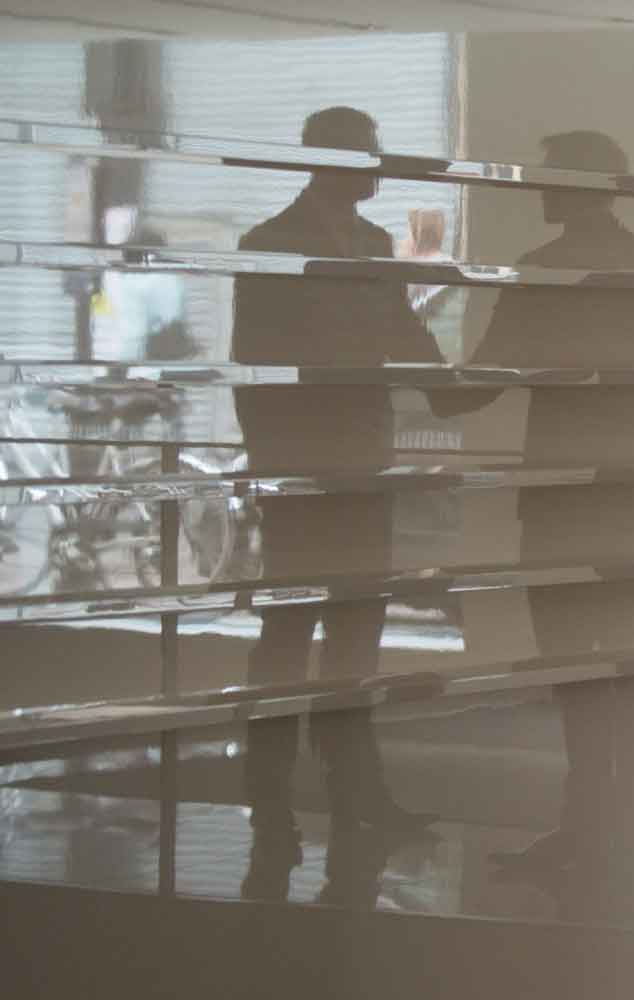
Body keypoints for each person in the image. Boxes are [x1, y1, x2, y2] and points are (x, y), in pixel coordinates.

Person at [427, 131, 634, 895]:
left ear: (578, 186)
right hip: (624, 493)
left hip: (565, 495)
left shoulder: (546, 270)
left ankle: (589, 827)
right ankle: (624, 826)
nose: (537, 189)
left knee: (575, 663)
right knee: (629, 657)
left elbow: (477, 382)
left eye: (547, 177)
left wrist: (410, 342)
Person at [232, 107, 443, 900]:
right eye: (372, 153)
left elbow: (398, 336)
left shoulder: (373, 243)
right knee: (288, 637)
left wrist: (452, 376)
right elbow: (253, 361)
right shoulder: (271, 244)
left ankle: (356, 795)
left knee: (356, 631)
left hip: (364, 463)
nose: (382, 166)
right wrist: (275, 474)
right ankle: (271, 807)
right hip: (307, 469)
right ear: (334, 160)